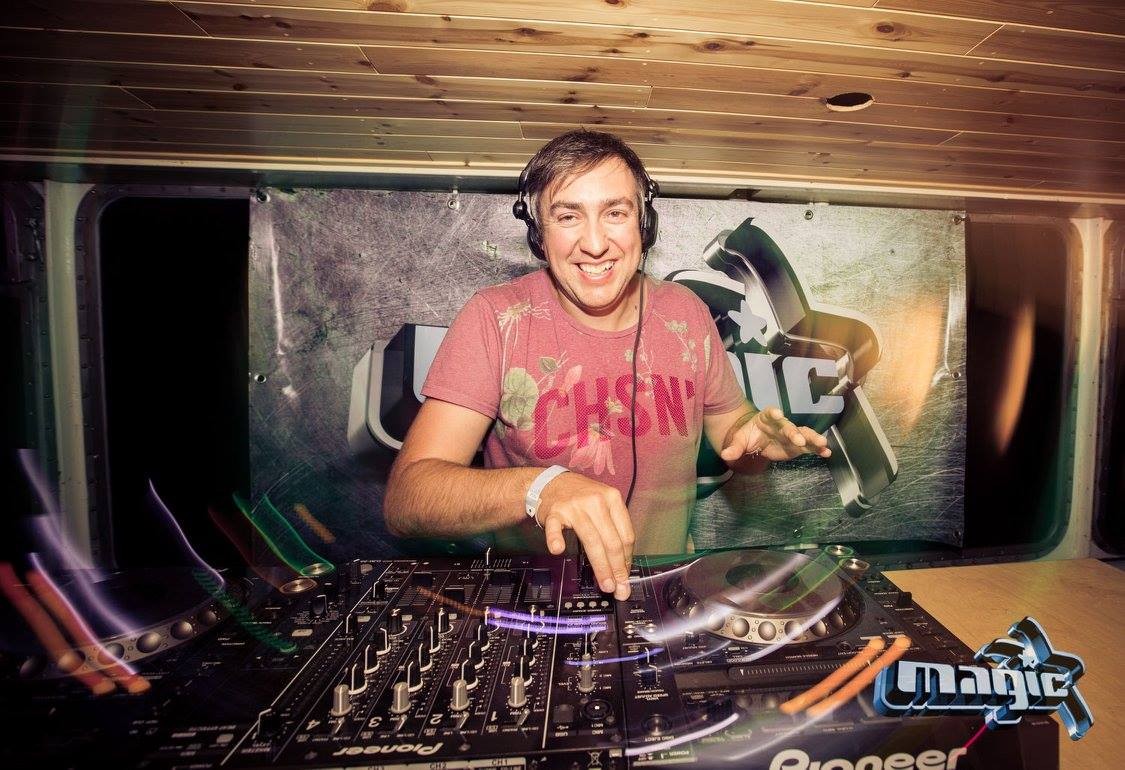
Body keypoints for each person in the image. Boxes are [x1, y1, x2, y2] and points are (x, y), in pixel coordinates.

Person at [383, 130, 830, 601]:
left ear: (644, 224)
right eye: (568, 216)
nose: (595, 244)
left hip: (664, 599)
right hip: (536, 605)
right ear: (538, 233)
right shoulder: (495, 318)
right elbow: (408, 500)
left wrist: (755, 439)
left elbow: (734, 436)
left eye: (615, 213)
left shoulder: (687, 312)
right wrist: (541, 488)